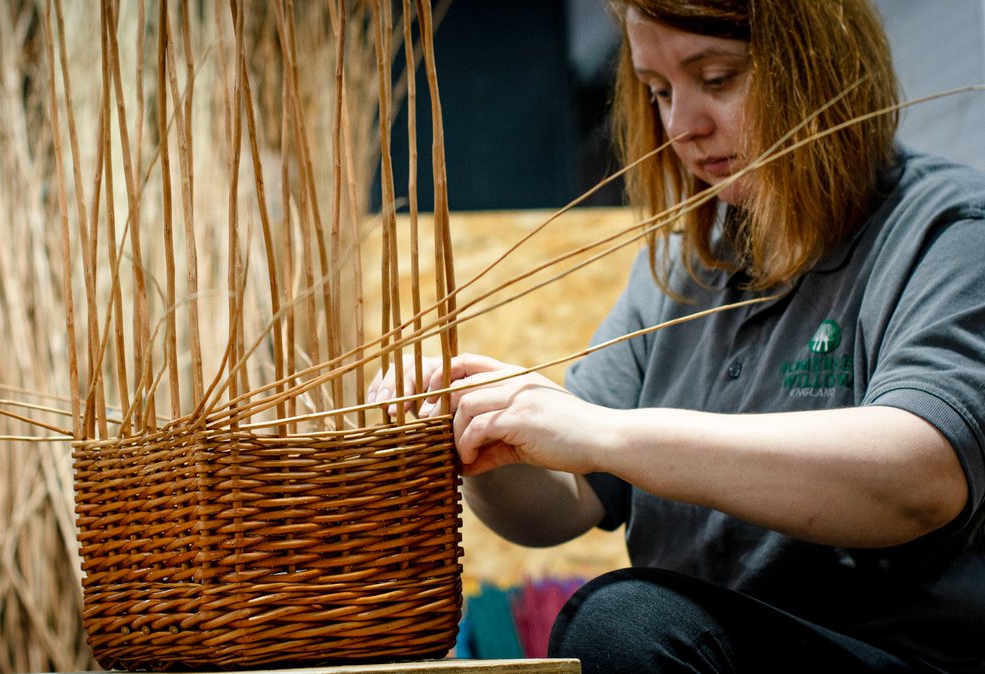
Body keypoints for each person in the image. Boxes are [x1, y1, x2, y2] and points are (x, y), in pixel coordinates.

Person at [368, 0, 985, 671]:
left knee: (626, 621)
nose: (682, 126)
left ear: (823, 64)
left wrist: (605, 433)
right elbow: (564, 508)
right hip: (703, 646)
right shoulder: (680, 267)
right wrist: (487, 430)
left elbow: (918, 478)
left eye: (717, 78)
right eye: (659, 91)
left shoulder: (950, 234)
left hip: (896, 658)